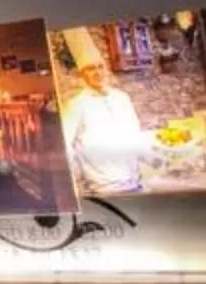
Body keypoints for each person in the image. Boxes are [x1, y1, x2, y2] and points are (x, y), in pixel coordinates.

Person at [61, 61, 146, 192]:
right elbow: (65, 144)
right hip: (103, 185)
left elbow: (135, 131)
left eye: (101, 67)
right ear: (82, 75)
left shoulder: (122, 98)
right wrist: (79, 177)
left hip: (134, 179)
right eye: (91, 68)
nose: (98, 73)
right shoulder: (76, 105)